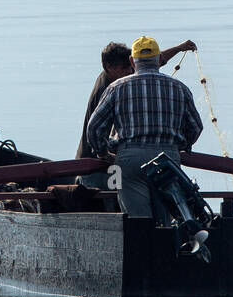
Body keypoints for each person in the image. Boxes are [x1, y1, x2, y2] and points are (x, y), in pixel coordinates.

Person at [86, 36, 203, 218]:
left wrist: (103, 153)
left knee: (137, 220)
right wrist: (179, 146)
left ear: (132, 62)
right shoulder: (180, 88)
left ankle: (141, 243)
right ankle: (166, 244)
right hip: (168, 159)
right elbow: (195, 127)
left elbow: (94, 128)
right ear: (158, 60)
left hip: (129, 159)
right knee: (165, 220)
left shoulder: (116, 88)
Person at [76, 38, 196, 160]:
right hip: (95, 157)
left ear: (132, 62)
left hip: (126, 157)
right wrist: (104, 154)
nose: (130, 72)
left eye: (130, 67)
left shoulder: (124, 77)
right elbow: (94, 129)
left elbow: (149, 63)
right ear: (109, 67)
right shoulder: (108, 89)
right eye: (124, 68)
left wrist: (179, 48)